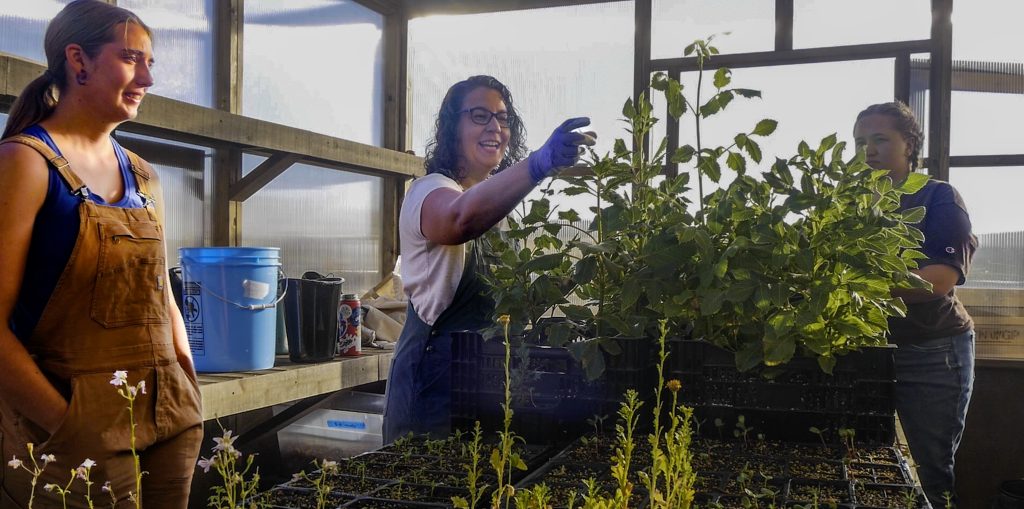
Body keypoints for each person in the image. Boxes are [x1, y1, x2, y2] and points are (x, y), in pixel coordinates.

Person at [0, 1, 203, 507]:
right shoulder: (25, 163)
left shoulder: (143, 174)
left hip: (169, 423)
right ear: (78, 60)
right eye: (133, 58)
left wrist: (187, 379)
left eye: (150, 62)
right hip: (73, 443)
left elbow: (162, 296)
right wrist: (69, 425)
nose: (148, 79)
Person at [383, 75, 596, 442]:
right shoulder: (429, 190)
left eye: (503, 118)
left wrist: (577, 274)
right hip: (433, 384)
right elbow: (459, 220)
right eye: (480, 116)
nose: (495, 127)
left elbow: (507, 305)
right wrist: (537, 165)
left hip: (484, 386)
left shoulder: (500, 210)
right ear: (452, 127)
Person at [853, 102, 977, 508]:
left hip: (932, 351)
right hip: (867, 353)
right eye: (860, 142)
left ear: (909, 144)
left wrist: (855, 288)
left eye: (879, 139)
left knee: (928, 472)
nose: (868, 150)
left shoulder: (938, 197)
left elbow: (939, 280)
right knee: (865, 467)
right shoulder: (851, 205)